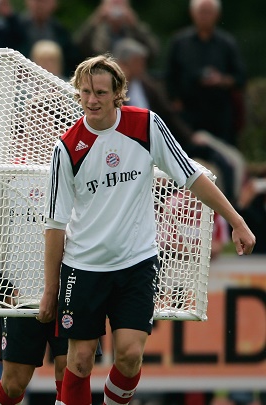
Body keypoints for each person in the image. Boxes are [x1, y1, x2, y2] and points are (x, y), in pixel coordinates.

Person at [38, 54, 255, 405]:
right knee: (78, 361)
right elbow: (55, 225)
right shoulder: (67, 148)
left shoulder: (146, 125)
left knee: (129, 356)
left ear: (118, 94)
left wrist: (237, 220)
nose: (92, 100)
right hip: (83, 266)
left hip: (136, 263)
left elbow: (193, 176)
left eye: (101, 92)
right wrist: (51, 289)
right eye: (86, 91)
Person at [113, 37, 243, 203]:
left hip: (167, 140)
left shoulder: (145, 85)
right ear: (124, 64)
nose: (143, 66)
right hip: (141, 151)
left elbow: (168, 114)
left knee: (218, 159)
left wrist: (190, 136)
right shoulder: (112, 91)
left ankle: (232, 206)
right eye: (139, 62)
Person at [163, 0, 247, 147]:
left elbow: (240, 77)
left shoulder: (227, 43)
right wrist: (175, 103)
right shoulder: (179, 42)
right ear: (192, 14)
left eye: (209, 12)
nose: (205, 16)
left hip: (220, 116)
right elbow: (170, 76)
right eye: (201, 12)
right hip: (188, 116)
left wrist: (221, 80)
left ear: (217, 15)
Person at [73, 0, 159, 64]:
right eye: (113, 4)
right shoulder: (96, 31)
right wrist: (95, 21)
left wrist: (135, 25)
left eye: (120, 4)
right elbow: (78, 48)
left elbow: (152, 52)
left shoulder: (134, 31)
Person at [14, 0, 81, 76]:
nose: (40, 5)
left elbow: (72, 63)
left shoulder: (61, 31)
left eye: (44, 1)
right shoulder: (12, 28)